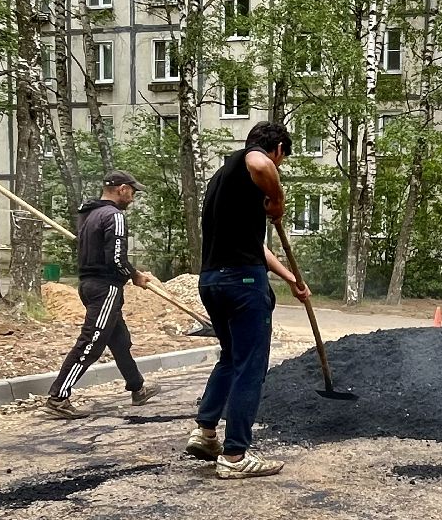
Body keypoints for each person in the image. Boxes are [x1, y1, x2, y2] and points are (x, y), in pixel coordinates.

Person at [184, 121, 311, 479]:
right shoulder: (251, 161)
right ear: (278, 150)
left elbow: (256, 246)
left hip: (212, 281)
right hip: (241, 283)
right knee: (250, 367)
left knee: (231, 358)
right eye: (281, 160)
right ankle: (236, 455)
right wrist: (279, 199)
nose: (277, 167)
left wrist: (291, 280)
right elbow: (260, 163)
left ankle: (206, 432)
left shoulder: (221, 179)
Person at [45, 171, 159, 418]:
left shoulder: (89, 214)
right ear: (122, 189)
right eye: (133, 191)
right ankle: (58, 397)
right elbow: (116, 259)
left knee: (119, 340)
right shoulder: (114, 216)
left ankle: (137, 387)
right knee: (92, 342)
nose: (133, 197)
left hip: (88, 284)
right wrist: (134, 276)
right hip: (105, 287)